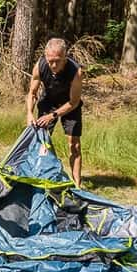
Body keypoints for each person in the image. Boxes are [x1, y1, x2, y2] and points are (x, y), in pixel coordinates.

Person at [26, 38, 84, 187]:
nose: (53, 65)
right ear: (45, 56)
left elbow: (74, 102)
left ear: (65, 57)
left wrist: (52, 116)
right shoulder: (40, 66)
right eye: (50, 60)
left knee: (74, 145)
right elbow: (32, 92)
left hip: (70, 105)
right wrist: (29, 113)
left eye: (57, 61)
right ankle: (40, 176)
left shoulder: (76, 71)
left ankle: (77, 185)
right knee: (42, 142)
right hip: (49, 101)